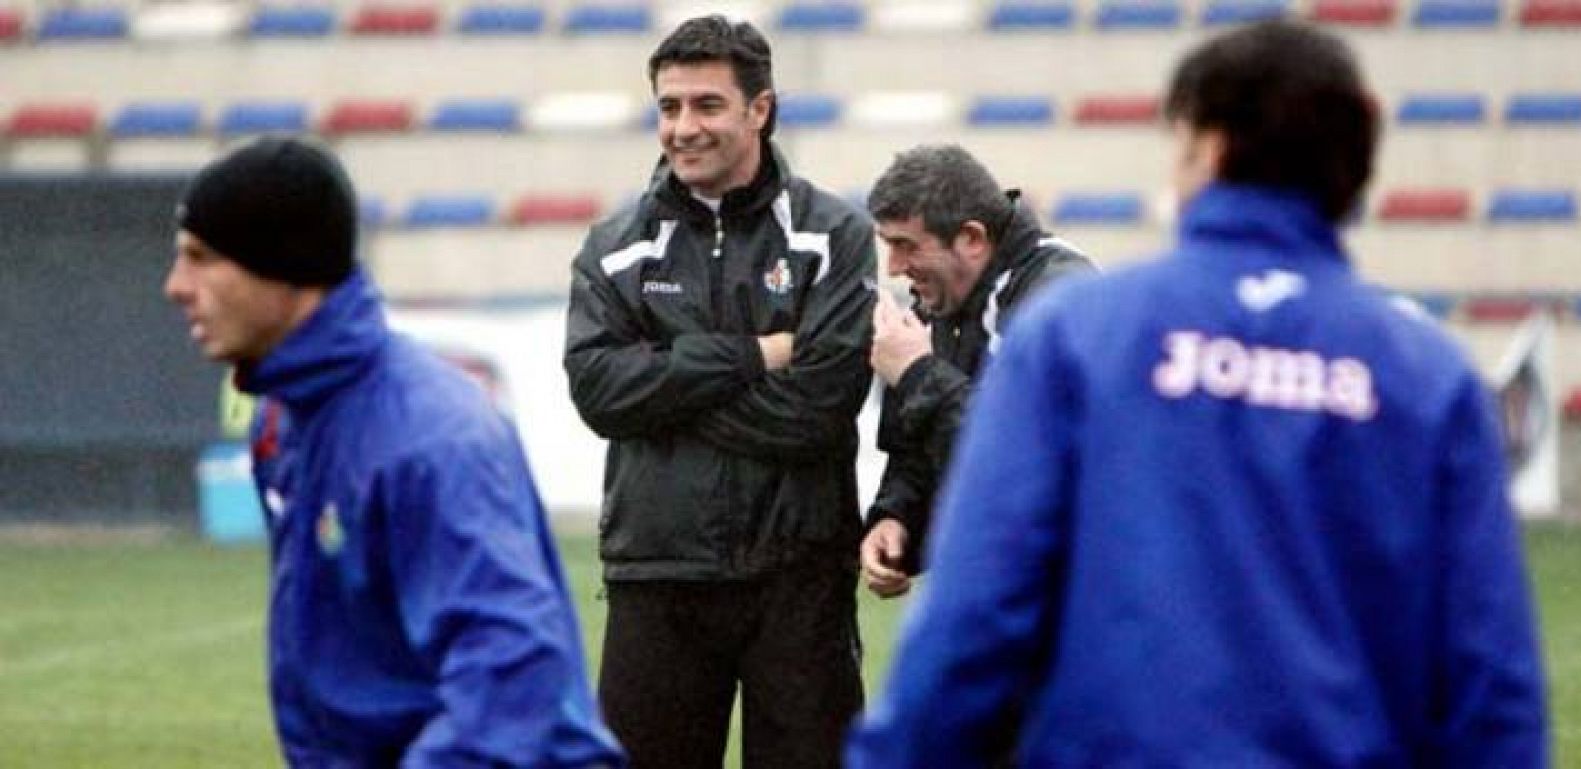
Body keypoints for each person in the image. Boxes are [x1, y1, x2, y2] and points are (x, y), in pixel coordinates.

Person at [848, 21, 1548, 767]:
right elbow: (1490, 677)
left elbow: (976, 613)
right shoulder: (1429, 377)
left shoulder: (1077, 335)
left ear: (1204, 149)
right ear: (1361, 145)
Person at [164, 136, 624, 768]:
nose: (175, 286)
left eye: (201, 259)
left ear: (284, 269)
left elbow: (512, 681)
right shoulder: (283, 417)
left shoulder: (428, 440)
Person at [562, 15, 877, 769]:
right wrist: (755, 355)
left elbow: (819, 408)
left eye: (706, 105)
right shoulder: (614, 248)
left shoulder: (834, 235)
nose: (682, 127)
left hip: (799, 578)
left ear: (759, 109)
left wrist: (667, 384)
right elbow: (601, 391)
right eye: (669, 107)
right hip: (657, 574)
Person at [859, 144, 1094, 598]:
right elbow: (918, 447)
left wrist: (917, 374)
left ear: (971, 238)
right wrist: (897, 519)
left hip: (1073, 591)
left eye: (906, 246)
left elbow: (1021, 461)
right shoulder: (944, 296)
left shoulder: (1059, 300)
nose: (893, 266)